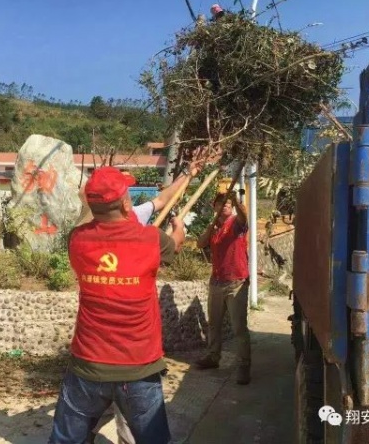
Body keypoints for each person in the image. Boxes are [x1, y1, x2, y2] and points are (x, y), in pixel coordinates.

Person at [48, 166, 186, 444]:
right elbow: (176, 246)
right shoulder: (150, 239)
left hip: (88, 365)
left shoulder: (77, 240)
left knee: (65, 440)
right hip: (138, 366)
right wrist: (178, 229)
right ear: (125, 203)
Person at [82, 162, 203, 444]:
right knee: (131, 407)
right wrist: (178, 235)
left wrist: (188, 174)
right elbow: (172, 245)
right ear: (122, 199)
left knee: (94, 403)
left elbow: (161, 200)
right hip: (131, 350)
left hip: (95, 349)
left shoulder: (86, 233)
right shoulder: (143, 234)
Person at [194, 190, 251, 385]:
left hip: (236, 283)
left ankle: (244, 365)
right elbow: (200, 244)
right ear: (215, 207)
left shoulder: (236, 223)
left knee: (238, 328)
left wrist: (236, 201)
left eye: (227, 203)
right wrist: (211, 227)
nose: (224, 205)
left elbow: (244, 217)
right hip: (216, 282)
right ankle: (213, 357)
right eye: (220, 203)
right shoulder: (215, 227)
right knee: (214, 325)